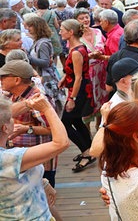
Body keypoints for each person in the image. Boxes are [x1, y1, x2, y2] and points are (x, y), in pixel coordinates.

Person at [0, 92, 69, 220]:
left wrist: (43, 183)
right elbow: (61, 143)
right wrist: (47, 108)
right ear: (5, 128)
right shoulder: (8, 159)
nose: (13, 120)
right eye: (11, 118)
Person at [57, 19, 95, 172]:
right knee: (77, 121)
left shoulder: (77, 52)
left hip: (78, 91)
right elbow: (72, 72)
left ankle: (86, 152)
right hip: (78, 88)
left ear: (70, 32)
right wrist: (64, 78)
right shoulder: (76, 47)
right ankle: (89, 149)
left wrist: (72, 98)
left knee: (66, 123)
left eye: (62, 29)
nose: (59, 32)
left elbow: (78, 77)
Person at [24, 15, 65, 116]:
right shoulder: (39, 41)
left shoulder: (43, 43)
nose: (28, 28)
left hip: (47, 79)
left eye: (30, 26)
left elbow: (45, 62)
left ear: (37, 27)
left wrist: (28, 57)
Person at [75, 8, 107, 118]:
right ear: (76, 21)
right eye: (81, 18)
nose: (85, 20)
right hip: (87, 71)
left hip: (101, 70)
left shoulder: (97, 31)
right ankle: (87, 130)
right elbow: (74, 56)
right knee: (88, 100)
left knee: (102, 97)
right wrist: (89, 56)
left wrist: (100, 53)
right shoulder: (76, 37)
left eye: (87, 17)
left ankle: (99, 125)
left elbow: (105, 46)